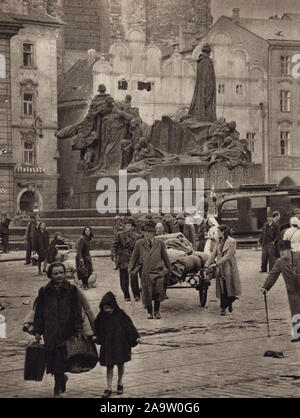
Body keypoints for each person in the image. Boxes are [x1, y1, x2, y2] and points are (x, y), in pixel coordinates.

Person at [33, 262, 83, 398]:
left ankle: (59, 384)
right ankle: (59, 383)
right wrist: (38, 332)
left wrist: (79, 330)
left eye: (61, 272)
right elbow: (39, 313)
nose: (59, 275)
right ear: (50, 275)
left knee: (61, 360)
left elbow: (77, 311)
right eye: (56, 273)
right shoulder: (44, 291)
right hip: (50, 332)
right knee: (54, 360)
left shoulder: (71, 290)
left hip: (67, 331)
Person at [94, 292, 140, 398]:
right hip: (108, 346)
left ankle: (120, 383)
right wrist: (96, 337)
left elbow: (129, 326)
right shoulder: (101, 318)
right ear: (102, 308)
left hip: (121, 344)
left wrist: (135, 337)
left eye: (110, 308)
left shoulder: (120, 314)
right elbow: (97, 329)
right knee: (109, 366)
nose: (108, 310)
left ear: (114, 306)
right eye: (106, 308)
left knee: (120, 364)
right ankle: (108, 387)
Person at [128, 220, 173, 319]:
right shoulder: (139, 243)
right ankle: (149, 312)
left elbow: (165, 257)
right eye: (146, 232)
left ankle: (157, 311)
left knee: (158, 292)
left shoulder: (160, 243)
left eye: (150, 232)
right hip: (145, 272)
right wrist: (130, 269)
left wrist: (170, 269)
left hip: (158, 271)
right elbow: (133, 257)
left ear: (154, 233)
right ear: (143, 233)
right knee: (147, 293)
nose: (148, 235)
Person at [261, 240, 300, 343]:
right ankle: (297, 334)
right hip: (292, 291)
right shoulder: (280, 262)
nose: (282, 253)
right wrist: (265, 287)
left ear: (289, 250)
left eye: (284, 251)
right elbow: (272, 275)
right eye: (280, 251)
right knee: (295, 312)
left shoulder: (299, 256)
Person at [205, 225, 242, 316]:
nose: (217, 233)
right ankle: (223, 308)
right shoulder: (219, 242)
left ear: (223, 232)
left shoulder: (232, 242)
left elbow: (228, 256)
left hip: (229, 267)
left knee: (229, 288)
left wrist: (217, 264)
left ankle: (229, 302)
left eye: (218, 232)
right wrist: (206, 265)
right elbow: (213, 254)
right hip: (220, 269)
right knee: (223, 288)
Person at [111, 218, 141, 302]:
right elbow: (114, 246)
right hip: (123, 259)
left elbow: (140, 248)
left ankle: (136, 294)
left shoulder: (137, 236)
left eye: (129, 226)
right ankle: (126, 295)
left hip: (133, 258)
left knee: (134, 278)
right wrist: (114, 257)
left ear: (132, 227)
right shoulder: (119, 235)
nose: (127, 227)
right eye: (126, 225)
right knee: (124, 279)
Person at [188, 44, 216, 122]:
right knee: (206, 109)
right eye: (209, 53)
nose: (209, 54)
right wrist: (211, 89)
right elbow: (208, 79)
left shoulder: (201, 62)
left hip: (200, 89)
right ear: (208, 52)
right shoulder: (206, 61)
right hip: (206, 90)